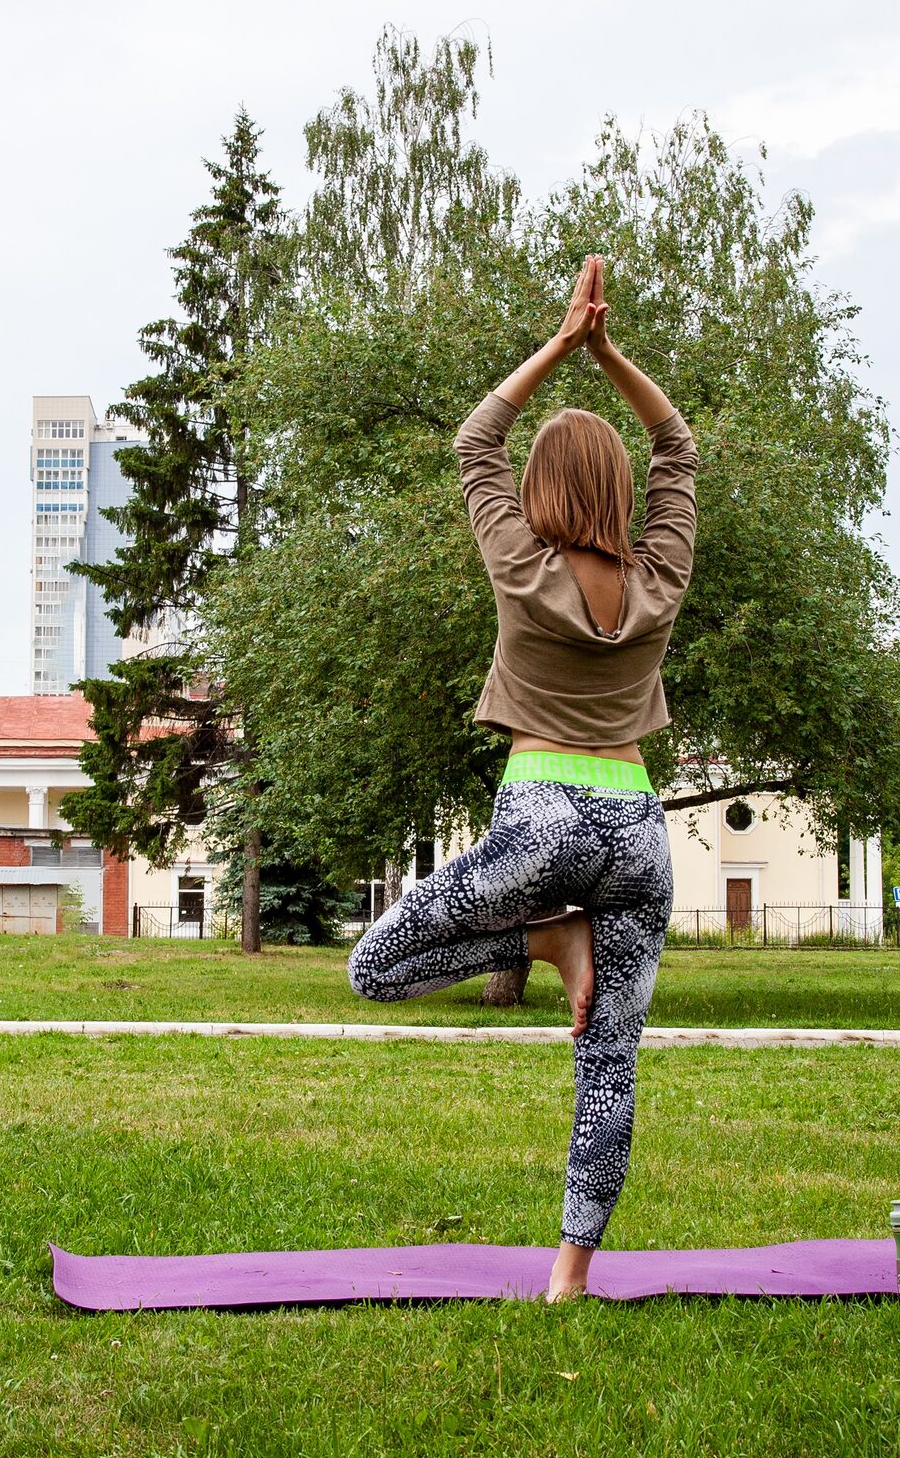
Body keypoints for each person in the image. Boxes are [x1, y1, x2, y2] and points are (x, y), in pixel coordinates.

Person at [346, 255, 698, 1303]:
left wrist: (560, 344)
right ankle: (569, 1275)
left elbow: (474, 439)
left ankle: (548, 938)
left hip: (541, 819)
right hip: (638, 832)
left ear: (541, 491)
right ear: (624, 491)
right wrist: (612, 352)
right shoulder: (663, 572)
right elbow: (679, 443)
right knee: (610, 1067)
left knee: (377, 967)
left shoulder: (519, 560)